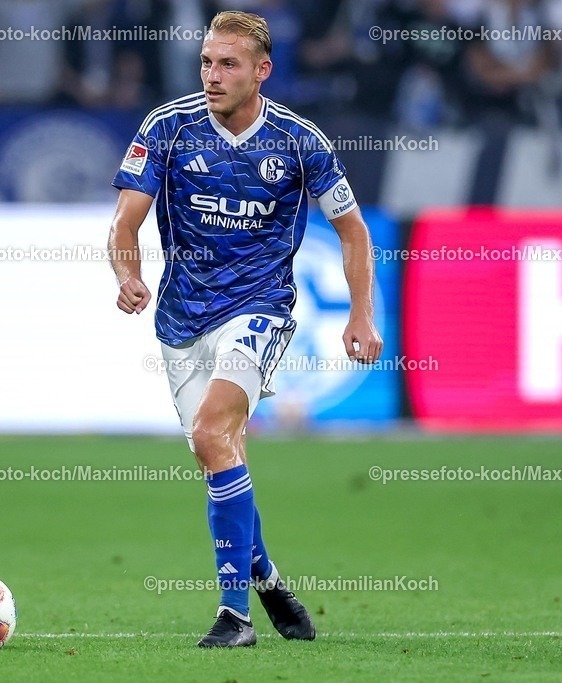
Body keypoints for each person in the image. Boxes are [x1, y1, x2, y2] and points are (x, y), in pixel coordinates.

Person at [108, 10, 382, 648]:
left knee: (212, 432)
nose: (212, 75)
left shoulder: (299, 141)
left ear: (262, 71)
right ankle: (268, 580)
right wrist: (128, 275)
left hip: (260, 309)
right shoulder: (167, 128)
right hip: (181, 320)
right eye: (206, 62)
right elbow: (124, 222)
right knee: (217, 455)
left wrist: (361, 314)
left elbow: (352, 231)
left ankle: (235, 617)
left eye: (228, 64)